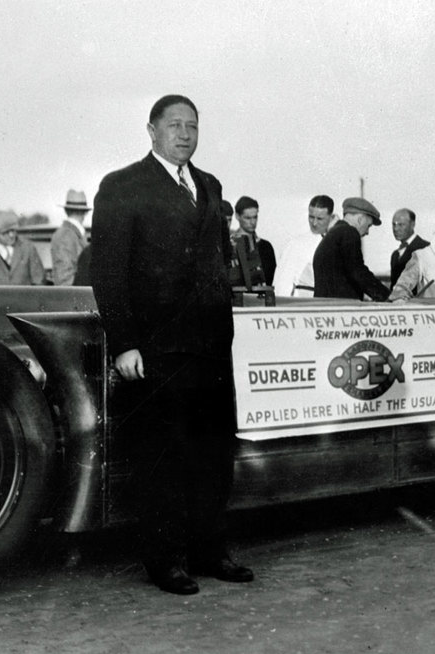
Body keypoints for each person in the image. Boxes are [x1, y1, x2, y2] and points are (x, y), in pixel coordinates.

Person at [91, 93, 251, 596]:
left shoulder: (210, 186)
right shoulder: (122, 186)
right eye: (175, 125)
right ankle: (166, 561)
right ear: (152, 131)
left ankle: (210, 552)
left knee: (213, 453)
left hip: (211, 347)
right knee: (162, 458)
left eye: (192, 126)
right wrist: (125, 343)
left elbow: (216, 263)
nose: (185, 134)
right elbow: (108, 273)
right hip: (158, 350)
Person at [313, 197, 391, 301]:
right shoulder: (349, 232)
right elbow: (358, 271)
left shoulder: (334, 234)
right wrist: (387, 297)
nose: (367, 232)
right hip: (341, 306)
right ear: (360, 220)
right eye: (368, 226)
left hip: (326, 305)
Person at [273, 194, 335, 297]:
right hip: (302, 301)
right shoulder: (296, 244)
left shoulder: (336, 243)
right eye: (311, 217)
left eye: (320, 219)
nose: (314, 223)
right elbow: (283, 281)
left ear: (331, 217)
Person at [50, 189, 91, 286]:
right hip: (75, 294)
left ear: (66, 211)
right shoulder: (65, 236)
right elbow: (65, 280)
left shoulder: (70, 234)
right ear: (85, 212)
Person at [233, 195, 276, 285]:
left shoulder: (266, 247)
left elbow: (272, 278)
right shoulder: (230, 246)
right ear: (237, 216)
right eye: (248, 218)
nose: (253, 222)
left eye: (255, 217)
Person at [390, 208, 429, 287]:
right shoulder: (395, 255)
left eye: (401, 225)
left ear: (412, 225)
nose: (395, 229)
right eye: (394, 224)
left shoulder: (426, 248)